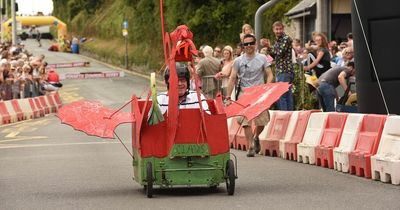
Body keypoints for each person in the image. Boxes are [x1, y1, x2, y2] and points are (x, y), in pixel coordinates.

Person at [226, 34, 274, 157]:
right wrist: (228, 96)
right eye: (245, 44)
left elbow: (270, 74)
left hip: (259, 93)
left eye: (251, 43)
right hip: (244, 93)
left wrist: (266, 88)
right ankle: (250, 146)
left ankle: (256, 136)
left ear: (255, 44)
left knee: (261, 122)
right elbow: (232, 79)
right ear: (242, 46)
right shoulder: (238, 61)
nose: (248, 46)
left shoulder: (263, 58)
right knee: (246, 121)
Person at [268, 21, 294, 111]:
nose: (278, 31)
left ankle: (284, 115)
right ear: (273, 30)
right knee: (287, 94)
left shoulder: (286, 39)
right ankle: (289, 115)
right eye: (276, 29)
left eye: (280, 29)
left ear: (283, 29)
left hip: (285, 70)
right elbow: (274, 55)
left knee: (281, 95)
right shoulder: (278, 40)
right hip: (281, 70)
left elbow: (280, 52)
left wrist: (269, 47)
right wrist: (269, 49)